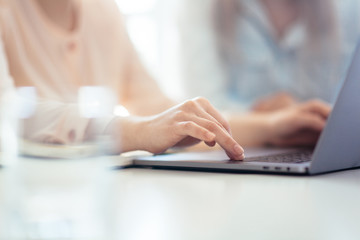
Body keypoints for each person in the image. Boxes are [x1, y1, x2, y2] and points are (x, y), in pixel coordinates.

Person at [0, 0, 329, 160]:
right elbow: (8, 114)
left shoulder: (101, 11)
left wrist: (271, 126)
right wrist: (138, 131)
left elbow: (167, 115)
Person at [180, 0, 360, 111]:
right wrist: (267, 120)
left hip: (321, 147)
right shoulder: (204, 5)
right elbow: (205, 109)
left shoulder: (349, 7)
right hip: (247, 148)